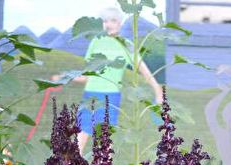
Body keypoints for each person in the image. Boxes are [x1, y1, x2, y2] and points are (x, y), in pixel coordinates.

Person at [63, 7, 163, 154]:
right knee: (82, 132)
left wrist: (157, 90)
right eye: (105, 21)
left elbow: (144, 71)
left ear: (120, 24)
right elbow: (88, 74)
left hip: (110, 96)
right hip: (90, 95)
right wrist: (66, 78)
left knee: (105, 136)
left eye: (113, 21)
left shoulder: (127, 44)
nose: (109, 24)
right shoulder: (96, 42)